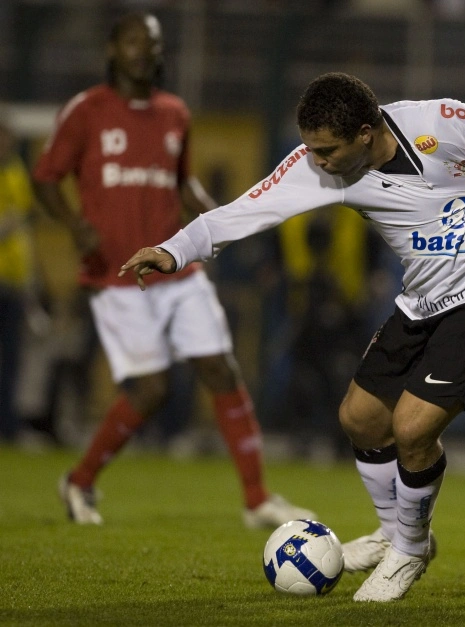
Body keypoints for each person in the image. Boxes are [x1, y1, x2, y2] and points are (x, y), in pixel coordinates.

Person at [119, 72, 465, 602]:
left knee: (413, 427)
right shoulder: (318, 168)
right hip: (424, 301)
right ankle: (393, 532)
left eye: (328, 150)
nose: (318, 160)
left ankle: (410, 550)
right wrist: (174, 249)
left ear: (366, 134)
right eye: (311, 148)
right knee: (360, 419)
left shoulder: (439, 123)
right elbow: (245, 209)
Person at [30, 12, 315, 528]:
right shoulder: (87, 111)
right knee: (151, 391)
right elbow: (46, 177)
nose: (145, 50)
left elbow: (179, 182)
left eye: (153, 42)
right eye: (134, 41)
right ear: (113, 48)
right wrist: (73, 224)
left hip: (176, 271)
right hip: (117, 275)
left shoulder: (174, 113)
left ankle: (257, 499)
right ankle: (80, 480)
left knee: (220, 369)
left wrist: (209, 210)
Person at [0, 118, 42, 442]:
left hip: (14, 282)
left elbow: (23, 232)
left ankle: (9, 427)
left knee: (12, 358)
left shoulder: (15, 173)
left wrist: (30, 283)